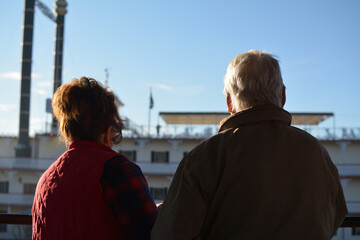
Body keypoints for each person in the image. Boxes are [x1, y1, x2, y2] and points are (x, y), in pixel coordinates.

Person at [151, 50, 348, 240]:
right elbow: (335, 217)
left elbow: (171, 234)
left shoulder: (205, 156)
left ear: (229, 102)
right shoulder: (317, 152)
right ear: (283, 96)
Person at [32, 77, 158, 239]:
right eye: (114, 135)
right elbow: (151, 233)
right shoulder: (117, 169)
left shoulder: (45, 179)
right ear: (108, 130)